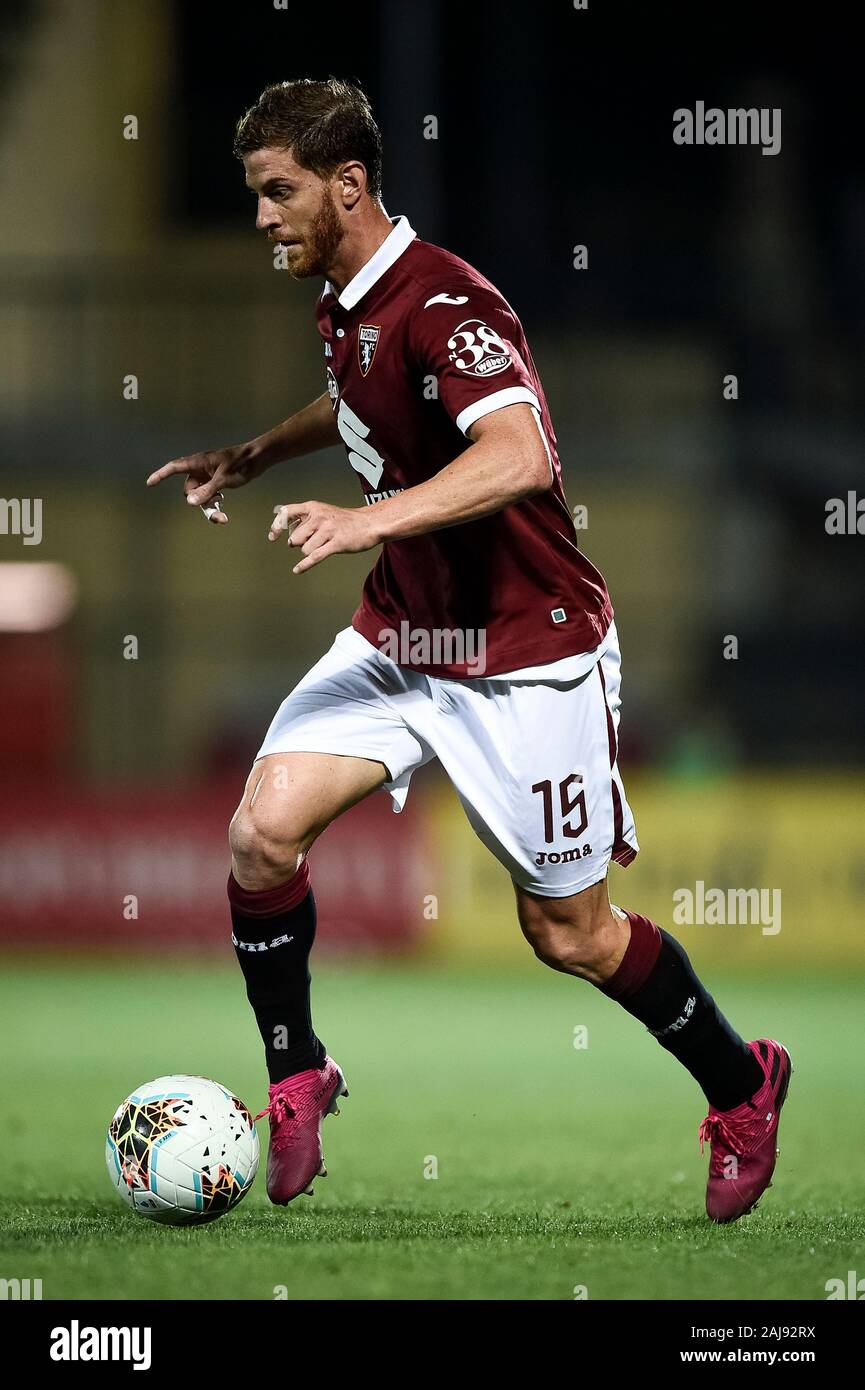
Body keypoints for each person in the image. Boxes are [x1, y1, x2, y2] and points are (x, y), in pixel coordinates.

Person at [147, 77, 791, 1223]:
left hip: (526, 652)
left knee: (569, 932)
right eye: (255, 193)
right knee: (260, 833)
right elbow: (355, 401)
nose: (260, 216)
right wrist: (254, 454)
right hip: (404, 634)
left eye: (277, 191)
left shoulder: (447, 301)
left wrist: (364, 519)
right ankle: (297, 1073)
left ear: (349, 185)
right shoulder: (344, 299)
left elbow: (518, 453)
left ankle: (744, 1086)